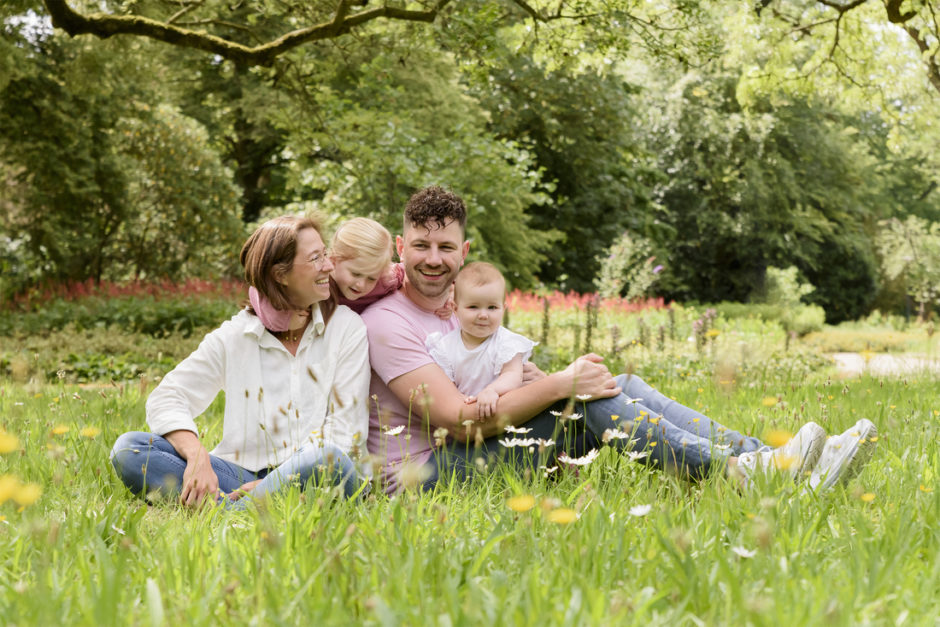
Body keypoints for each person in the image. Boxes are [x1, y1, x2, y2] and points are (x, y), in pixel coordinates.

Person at [361, 186, 877, 493]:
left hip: (471, 448)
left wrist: (554, 380)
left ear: (465, 249)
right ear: (401, 246)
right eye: (422, 245)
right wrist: (565, 383)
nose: (434, 258)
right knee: (582, 399)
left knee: (618, 382)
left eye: (446, 246)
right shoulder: (388, 322)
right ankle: (744, 474)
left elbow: (506, 375)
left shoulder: (461, 308)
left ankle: (778, 459)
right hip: (421, 475)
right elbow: (461, 420)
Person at [110, 215, 371, 508]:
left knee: (328, 458)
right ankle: (250, 507)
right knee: (130, 449)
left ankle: (226, 512)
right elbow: (167, 397)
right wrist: (196, 456)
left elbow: (346, 431)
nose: (329, 266)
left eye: (325, 254)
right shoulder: (234, 336)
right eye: (315, 258)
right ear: (280, 275)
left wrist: (271, 484)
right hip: (239, 477)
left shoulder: (347, 328)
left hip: (319, 475)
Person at [425, 262, 536, 419]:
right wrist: (459, 401)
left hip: (504, 414)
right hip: (465, 414)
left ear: (503, 309)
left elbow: (512, 375)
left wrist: (492, 390)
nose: (483, 315)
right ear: (455, 309)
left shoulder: (506, 343)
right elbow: (446, 385)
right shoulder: (445, 346)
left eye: (492, 308)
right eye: (473, 307)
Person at [329, 216, 453, 318]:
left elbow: (426, 273)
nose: (361, 284)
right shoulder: (321, 284)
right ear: (333, 260)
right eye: (356, 274)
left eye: (371, 278)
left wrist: (451, 293)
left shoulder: (388, 279)